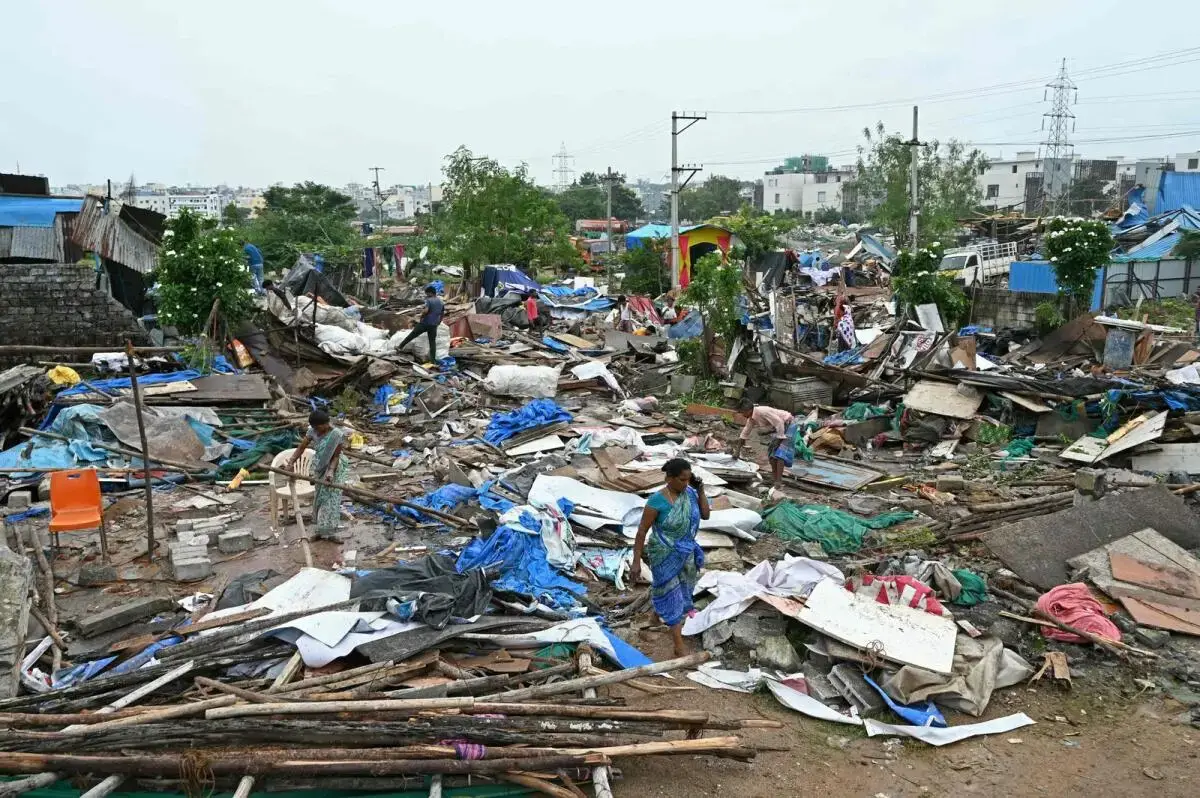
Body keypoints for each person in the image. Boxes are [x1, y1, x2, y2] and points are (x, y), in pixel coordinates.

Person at [631, 458, 710, 657]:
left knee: (679, 589)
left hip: (686, 553)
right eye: (682, 480)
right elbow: (641, 532)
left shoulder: (690, 495)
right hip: (663, 553)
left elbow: (706, 515)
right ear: (669, 478)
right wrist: (636, 561)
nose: (685, 483)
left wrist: (699, 490)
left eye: (688, 479)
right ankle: (678, 645)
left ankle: (655, 616)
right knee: (673, 593)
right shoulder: (657, 501)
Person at [287, 409, 348, 539]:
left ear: (326, 423)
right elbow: (301, 447)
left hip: (335, 468)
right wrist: (291, 461)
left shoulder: (337, 435)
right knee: (319, 499)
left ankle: (331, 533)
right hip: (319, 467)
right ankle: (320, 531)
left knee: (331, 501)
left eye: (319, 427)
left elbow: (336, 456)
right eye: (315, 428)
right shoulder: (312, 431)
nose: (318, 430)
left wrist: (330, 472)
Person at [734, 405, 797, 487]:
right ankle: (775, 480)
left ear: (748, 410)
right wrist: (737, 451)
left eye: (742, 412)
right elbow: (745, 432)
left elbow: (779, 422)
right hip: (779, 427)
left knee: (780, 454)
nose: (742, 415)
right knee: (771, 454)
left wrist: (779, 439)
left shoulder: (763, 412)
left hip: (789, 423)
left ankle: (778, 482)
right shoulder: (751, 419)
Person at [395, 286, 444, 361]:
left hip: (425, 323)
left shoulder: (429, 300)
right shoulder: (441, 301)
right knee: (432, 343)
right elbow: (442, 313)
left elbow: (426, 311)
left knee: (412, 335)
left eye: (427, 293)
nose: (426, 295)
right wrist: (439, 322)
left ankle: (400, 347)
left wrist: (421, 317)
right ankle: (433, 360)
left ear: (430, 293)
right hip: (434, 325)